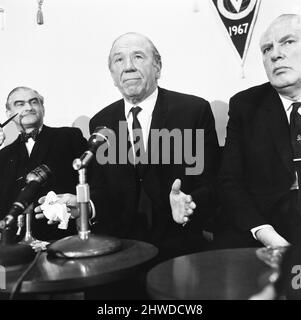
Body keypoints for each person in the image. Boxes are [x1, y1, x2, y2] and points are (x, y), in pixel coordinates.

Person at [36, 32, 220, 259]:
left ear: (158, 67)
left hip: (178, 247)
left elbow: (211, 181)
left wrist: (190, 203)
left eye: (138, 57)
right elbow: (103, 189)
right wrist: (86, 205)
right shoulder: (101, 122)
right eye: (119, 60)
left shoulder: (193, 111)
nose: (128, 66)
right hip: (119, 249)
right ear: (113, 75)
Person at [217, 14, 301, 249]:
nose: (275, 54)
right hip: (267, 234)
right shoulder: (246, 106)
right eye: (266, 49)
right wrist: (264, 232)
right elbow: (230, 182)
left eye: (288, 42)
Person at [0, 86, 87, 241]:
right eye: (20, 104)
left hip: (63, 241)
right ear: (8, 114)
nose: (28, 107)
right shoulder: (3, 154)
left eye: (34, 102)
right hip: (15, 248)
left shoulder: (69, 137)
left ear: (42, 108)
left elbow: (95, 182)